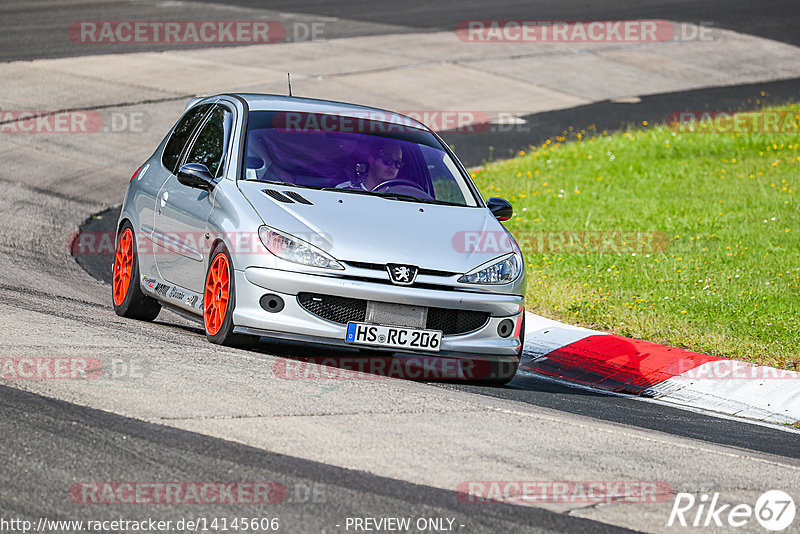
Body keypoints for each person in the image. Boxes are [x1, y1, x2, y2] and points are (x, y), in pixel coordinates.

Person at [338, 140, 405, 191]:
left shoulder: (404, 198)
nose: (393, 166)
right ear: (372, 160)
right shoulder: (344, 190)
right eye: (387, 159)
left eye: (398, 163)